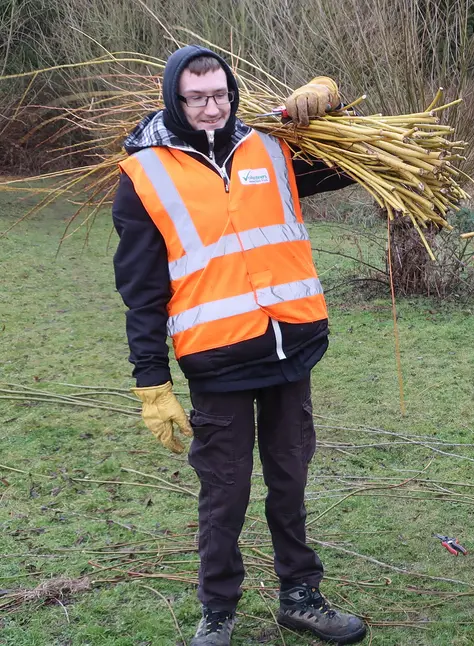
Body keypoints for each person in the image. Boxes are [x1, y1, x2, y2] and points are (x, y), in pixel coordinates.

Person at [112, 45, 366, 644]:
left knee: (291, 479)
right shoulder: (144, 176)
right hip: (218, 360)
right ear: (173, 99)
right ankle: (217, 611)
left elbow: (354, 162)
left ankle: (301, 596)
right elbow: (141, 291)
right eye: (197, 98)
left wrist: (333, 104)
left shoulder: (273, 146)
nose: (211, 108)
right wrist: (151, 379)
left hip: (291, 347)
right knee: (224, 494)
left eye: (220, 95)